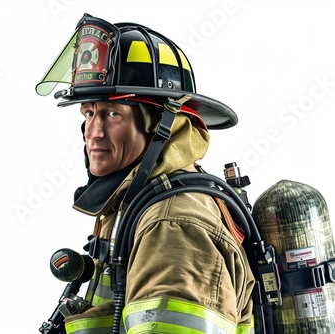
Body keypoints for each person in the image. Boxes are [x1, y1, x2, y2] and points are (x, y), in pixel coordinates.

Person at [36, 13, 256, 334]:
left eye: (112, 113)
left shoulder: (172, 224)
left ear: (161, 125)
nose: (93, 132)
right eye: (88, 113)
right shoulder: (137, 202)